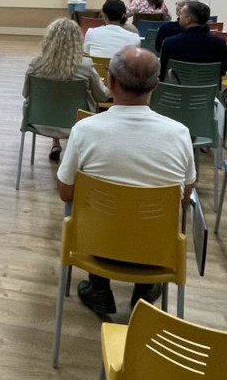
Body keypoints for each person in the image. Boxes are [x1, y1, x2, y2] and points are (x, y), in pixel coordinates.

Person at [57, 46, 196, 315]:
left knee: (93, 208)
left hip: (95, 244)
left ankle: (99, 289)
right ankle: (145, 290)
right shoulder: (180, 134)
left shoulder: (85, 129)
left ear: (110, 81)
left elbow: (65, 192)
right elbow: (184, 197)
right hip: (156, 250)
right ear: (155, 85)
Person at [23, 18, 109, 160]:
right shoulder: (86, 67)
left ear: (49, 40)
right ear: (77, 41)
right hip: (78, 124)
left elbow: (26, 93)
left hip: (39, 122)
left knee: (55, 100)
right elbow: (102, 96)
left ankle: (55, 143)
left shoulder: (35, 65)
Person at [159, 1, 227, 80]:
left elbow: (162, 72)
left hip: (175, 87)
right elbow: (223, 71)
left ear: (188, 19)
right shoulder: (219, 44)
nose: (179, 16)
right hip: (207, 87)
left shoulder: (170, 43)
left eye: (181, 14)